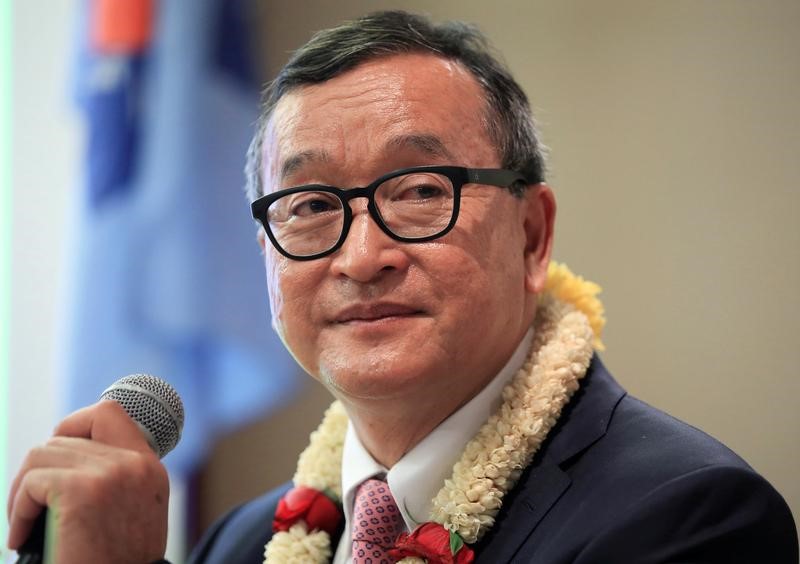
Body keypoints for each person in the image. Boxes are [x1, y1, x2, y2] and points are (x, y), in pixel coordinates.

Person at [7, 10, 798, 564]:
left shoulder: (686, 519)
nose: (361, 256)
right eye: (312, 206)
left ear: (531, 235)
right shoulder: (241, 544)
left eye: (419, 190)